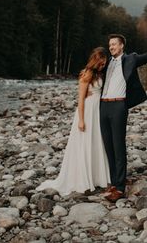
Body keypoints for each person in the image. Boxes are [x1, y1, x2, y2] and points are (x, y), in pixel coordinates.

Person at [101, 20, 147, 202]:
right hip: (103, 106)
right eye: (110, 45)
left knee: (118, 145)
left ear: (122, 45)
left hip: (118, 106)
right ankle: (113, 181)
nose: (111, 47)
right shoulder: (105, 62)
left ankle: (120, 187)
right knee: (108, 146)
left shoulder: (130, 58)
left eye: (114, 44)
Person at [36, 47, 111, 196]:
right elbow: (81, 100)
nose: (103, 66)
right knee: (85, 142)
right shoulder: (87, 74)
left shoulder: (100, 73)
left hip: (98, 111)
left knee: (96, 142)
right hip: (88, 111)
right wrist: (81, 120)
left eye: (104, 64)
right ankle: (83, 177)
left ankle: (97, 177)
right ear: (95, 62)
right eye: (101, 63)